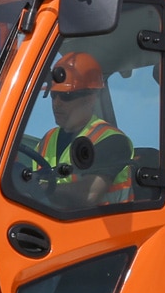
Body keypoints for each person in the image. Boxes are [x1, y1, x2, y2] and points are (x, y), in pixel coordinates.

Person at [37, 51, 133, 207]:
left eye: (66, 96)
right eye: (54, 95)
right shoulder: (47, 140)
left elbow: (89, 194)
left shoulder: (113, 141)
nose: (57, 103)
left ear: (90, 98)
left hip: (104, 230)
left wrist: (39, 189)